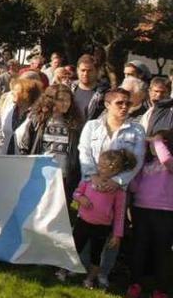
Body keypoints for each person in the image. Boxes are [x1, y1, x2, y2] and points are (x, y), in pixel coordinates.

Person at [78, 87, 146, 288]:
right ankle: (80, 267)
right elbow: (84, 152)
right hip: (92, 186)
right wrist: (94, 176)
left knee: (111, 233)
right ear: (107, 105)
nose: (125, 107)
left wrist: (117, 182)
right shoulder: (92, 126)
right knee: (84, 228)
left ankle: (102, 272)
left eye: (128, 103)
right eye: (120, 103)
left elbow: (138, 160)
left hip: (118, 191)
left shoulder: (136, 130)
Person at [72, 149, 135, 289]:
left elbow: (119, 214)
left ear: (116, 170)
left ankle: (90, 279)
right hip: (82, 222)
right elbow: (76, 193)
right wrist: (80, 198)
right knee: (74, 247)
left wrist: (117, 234)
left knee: (97, 255)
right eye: (99, 165)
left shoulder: (119, 190)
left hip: (101, 227)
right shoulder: (89, 180)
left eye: (104, 167)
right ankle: (65, 270)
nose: (100, 169)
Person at [126, 129, 173, 298]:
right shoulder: (146, 163)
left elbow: (166, 160)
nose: (155, 147)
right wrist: (134, 170)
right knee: (139, 248)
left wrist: (157, 140)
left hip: (165, 212)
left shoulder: (169, 161)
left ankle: (161, 289)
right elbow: (134, 187)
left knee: (162, 251)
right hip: (141, 209)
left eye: (162, 144)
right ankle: (135, 283)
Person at [18, 85, 83, 195]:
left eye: (68, 100)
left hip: (64, 176)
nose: (66, 103)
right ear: (50, 100)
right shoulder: (37, 120)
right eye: (61, 100)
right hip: (40, 174)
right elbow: (23, 145)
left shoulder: (75, 123)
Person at [0, 76, 43, 155]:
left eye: (16, 90)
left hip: (25, 161)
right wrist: (0, 140)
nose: (12, 92)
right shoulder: (8, 107)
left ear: (26, 94)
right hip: (2, 156)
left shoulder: (37, 114)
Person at [72, 54, 109, 122]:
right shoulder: (68, 90)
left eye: (89, 71)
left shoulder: (106, 95)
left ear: (97, 71)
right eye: (83, 70)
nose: (85, 74)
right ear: (77, 70)